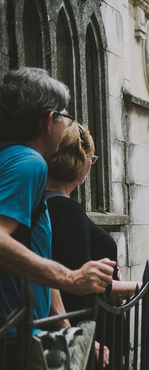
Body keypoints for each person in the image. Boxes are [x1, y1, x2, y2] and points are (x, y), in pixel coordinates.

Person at [0, 68, 115, 322]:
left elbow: (38, 251)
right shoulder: (28, 162)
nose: (66, 124)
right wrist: (70, 278)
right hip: (14, 338)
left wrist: (64, 327)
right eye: (64, 116)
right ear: (48, 121)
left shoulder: (11, 159)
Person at [46, 123, 149, 315]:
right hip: (91, 330)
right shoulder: (68, 211)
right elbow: (81, 290)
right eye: (91, 159)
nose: (91, 165)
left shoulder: (38, 204)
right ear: (81, 160)